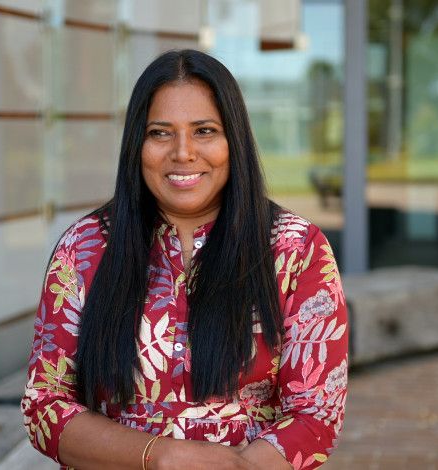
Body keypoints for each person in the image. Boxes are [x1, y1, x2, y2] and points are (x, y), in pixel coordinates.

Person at [22, 49, 348, 470]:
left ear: (235, 139)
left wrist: (237, 468)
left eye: (204, 131)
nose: (183, 152)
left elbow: (315, 415)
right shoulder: (83, 249)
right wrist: (161, 457)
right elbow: (45, 406)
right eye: (160, 133)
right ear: (137, 143)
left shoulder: (296, 251)